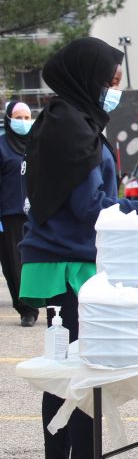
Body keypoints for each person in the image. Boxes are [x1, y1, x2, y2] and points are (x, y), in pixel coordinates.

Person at [19, 37, 138, 459]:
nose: (116, 89)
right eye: (111, 80)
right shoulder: (72, 127)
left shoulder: (66, 120)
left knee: (68, 376)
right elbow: (92, 209)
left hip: (62, 262)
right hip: (73, 266)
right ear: (88, 77)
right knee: (88, 376)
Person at [0, 101, 39, 327]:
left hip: (37, 213)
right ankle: (26, 309)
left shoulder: (37, 144)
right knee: (15, 264)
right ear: (8, 118)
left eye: (27, 117)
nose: (23, 122)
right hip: (10, 215)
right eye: (18, 117)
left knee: (42, 260)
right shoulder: (2, 146)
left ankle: (51, 305)